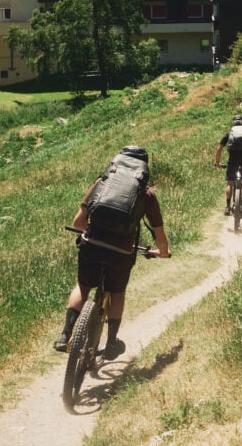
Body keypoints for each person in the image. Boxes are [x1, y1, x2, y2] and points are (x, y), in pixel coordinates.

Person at [53, 145, 171, 357]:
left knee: (83, 286)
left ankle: (65, 335)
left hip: (92, 245)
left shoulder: (102, 183)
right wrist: (162, 252)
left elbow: (78, 222)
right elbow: (159, 235)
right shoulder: (147, 195)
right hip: (121, 253)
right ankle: (110, 344)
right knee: (117, 293)